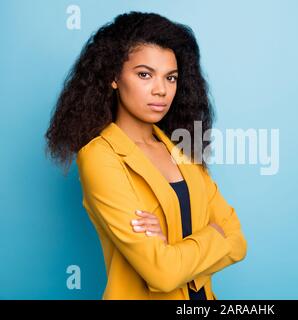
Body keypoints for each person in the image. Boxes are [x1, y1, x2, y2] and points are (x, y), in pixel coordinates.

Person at [45, 11, 247, 300]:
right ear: (114, 76)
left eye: (171, 77)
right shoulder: (100, 157)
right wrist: (214, 234)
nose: (161, 90)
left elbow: (239, 241)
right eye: (144, 74)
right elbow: (162, 273)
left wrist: (171, 243)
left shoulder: (182, 147)